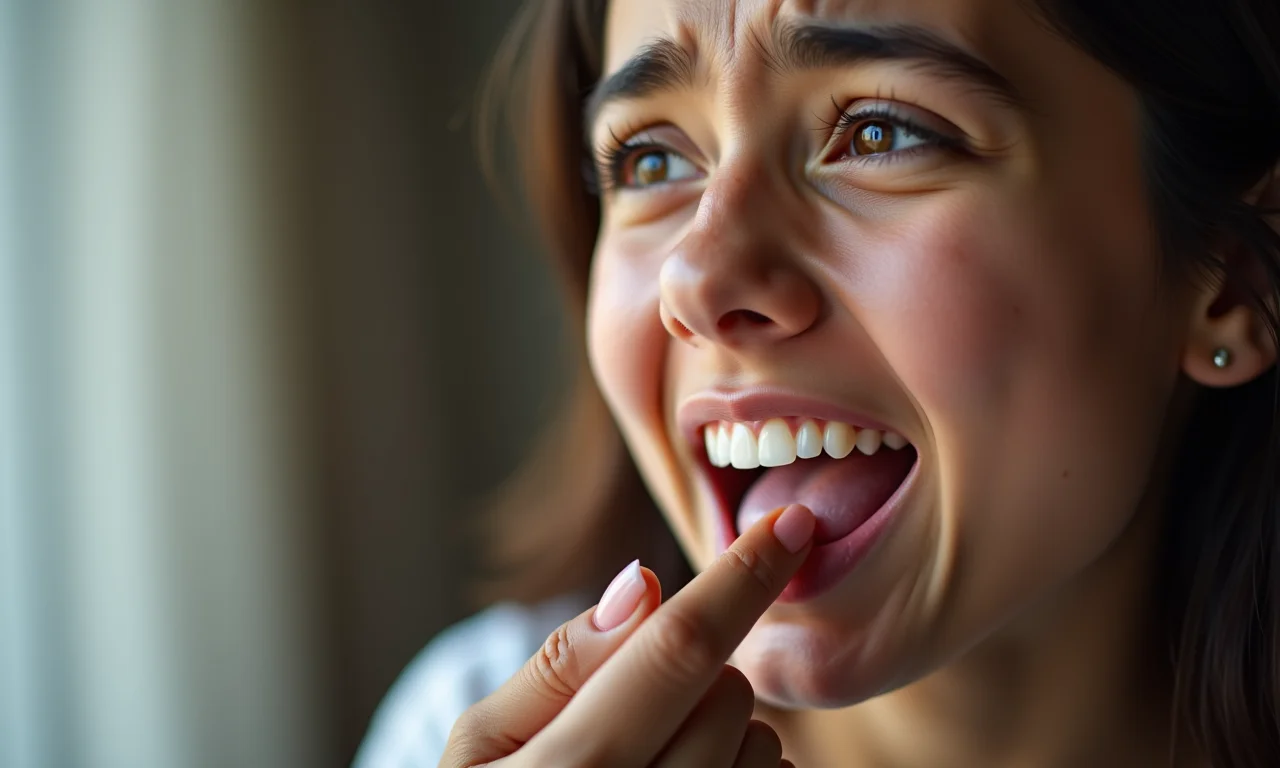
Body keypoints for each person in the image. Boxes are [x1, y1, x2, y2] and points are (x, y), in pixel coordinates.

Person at [355, 0, 1280, 765]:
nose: (698, 280)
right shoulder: (464, 721)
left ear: (1232, 281)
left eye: (880, 132)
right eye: (652, 159)